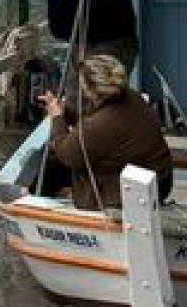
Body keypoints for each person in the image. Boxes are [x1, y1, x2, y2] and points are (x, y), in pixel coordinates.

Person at [38, 53, 173, 210]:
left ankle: (31, 201)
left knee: (53, 164)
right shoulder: (130, 97)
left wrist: (57, 117)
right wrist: (66, 111)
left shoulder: (100, 124)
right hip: (159, 180)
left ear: (92, 90)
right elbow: (95, 121)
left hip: (135, 192)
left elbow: (67, 155)